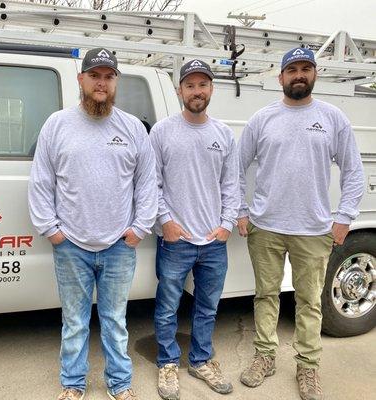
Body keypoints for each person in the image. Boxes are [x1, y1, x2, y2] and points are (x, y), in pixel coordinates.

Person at [28, 47, 157, 400]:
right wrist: (51, 230)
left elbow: (148, 183)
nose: (101, 83)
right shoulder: (57, 125)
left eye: (108, 77)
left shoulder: (132, 128)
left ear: (116, 82)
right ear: (81, 79)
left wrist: (140, 228)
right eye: (95, 76)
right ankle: (73, 384)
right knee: (75, 323)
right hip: (71, 245)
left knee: (115, 322)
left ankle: (120, 383)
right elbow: (41, 181)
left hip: (119, 245)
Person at [237, 47, 364, 400]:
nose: (299, 75)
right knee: (266, 296)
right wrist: (241, 212)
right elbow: (236, 168)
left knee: (309, 302)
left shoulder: (332, 118)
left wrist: (344, 217)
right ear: (280, 77)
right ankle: (265, 357)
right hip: (266, 228)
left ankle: (308, 367)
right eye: (292, 69)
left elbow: (353, 171)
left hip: (314, 230)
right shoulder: (262, 119)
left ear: (315, 74)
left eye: (305, 68)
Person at [150, 59, 239, 399]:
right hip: (176, 241)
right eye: (190, 85)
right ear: (180, 91)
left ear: (211, 90)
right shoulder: (163, 132)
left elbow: (232, 185)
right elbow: (151, 184)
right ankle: (167, 362)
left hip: (214, 242)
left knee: (207, 306)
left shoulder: (223, 134)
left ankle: (201, 360)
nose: (197, 91)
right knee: (167, 305)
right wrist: (166, 223)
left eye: (203, 85)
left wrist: (226, 224)